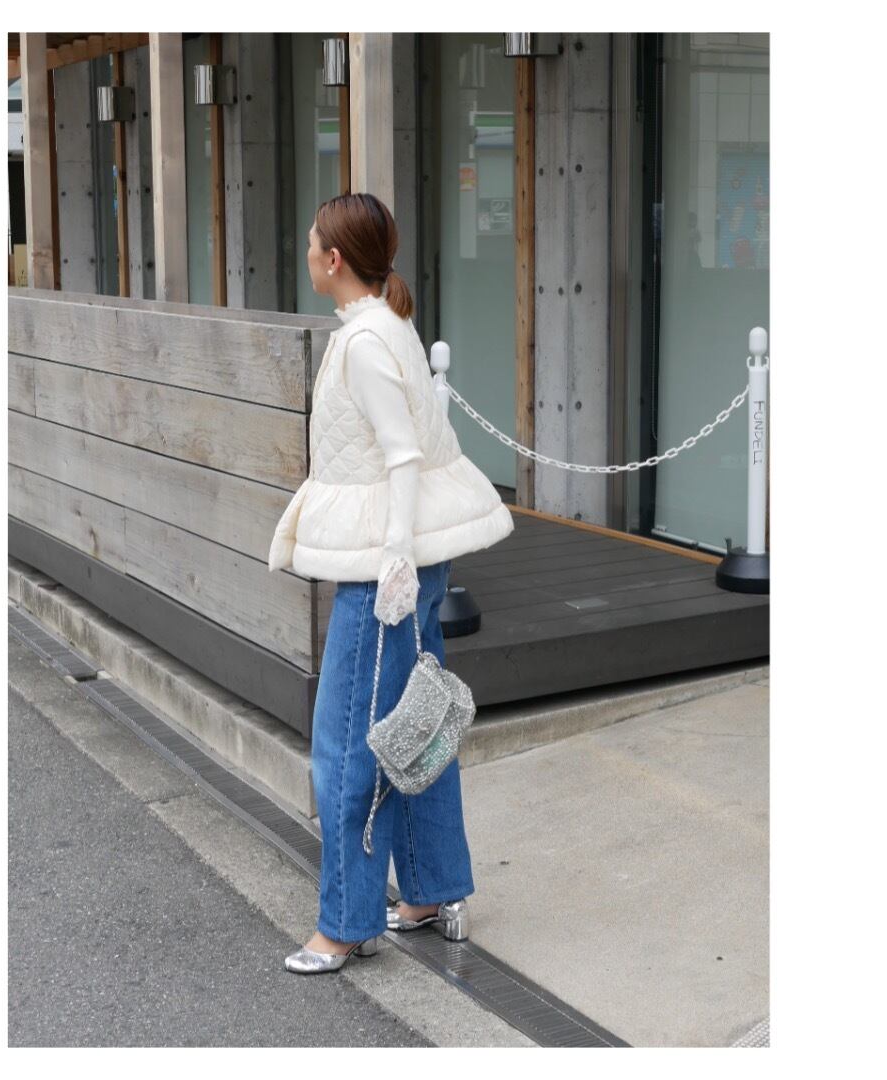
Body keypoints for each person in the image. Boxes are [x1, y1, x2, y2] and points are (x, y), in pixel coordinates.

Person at [267, 192, 514, 974]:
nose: (308, 252)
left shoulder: (366, 340)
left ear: (335, 259)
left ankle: (345, 924)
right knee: (416, 727)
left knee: (347, 742)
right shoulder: (389, 324)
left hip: (387, 564)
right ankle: (434, 891)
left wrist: (396, 560)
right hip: (408, 557)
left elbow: (403, 453)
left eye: (314, 242)